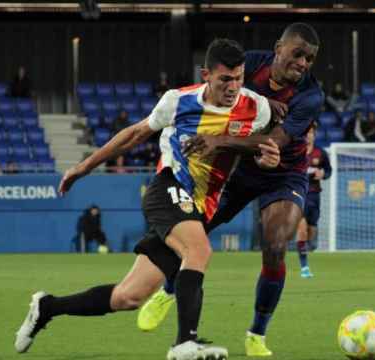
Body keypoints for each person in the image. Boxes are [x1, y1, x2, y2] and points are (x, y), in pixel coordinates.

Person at [14, 38, 279, 360]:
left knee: (129, 297)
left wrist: (267, 157)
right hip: (166, 188)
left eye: (239, 78)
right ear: (206, 74)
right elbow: (134, 134)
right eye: (225, 79)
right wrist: (83, 168)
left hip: (197, 208)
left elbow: (261, 145)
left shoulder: (257, 108)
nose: (233, 86)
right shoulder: (178, 101)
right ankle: (184, 343)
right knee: (199, 250)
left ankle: (47, 307)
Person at [137, 23, 324, 357]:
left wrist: (219, 139)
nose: (303, 64)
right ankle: (167, 290)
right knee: (192, 231)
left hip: (284, 174)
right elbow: (216, 90)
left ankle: (256, 334)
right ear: (279, 47)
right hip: (236, 168)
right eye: (298, 54)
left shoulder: (311, 95)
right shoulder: (251, 64)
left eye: (309, 59)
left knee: (276, 242)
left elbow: (273, 142)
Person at [295, 122, 331, 278]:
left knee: (311, 229)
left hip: (314, 195)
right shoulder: (296, 152)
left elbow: (329, 170)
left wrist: (322, 174)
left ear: (314, 136)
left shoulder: (320, 153)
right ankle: (304, 267)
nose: (308, 136)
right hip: (298, 194)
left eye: (311, 133)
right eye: (306, 133)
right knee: (301, 229)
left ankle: (307, 248)